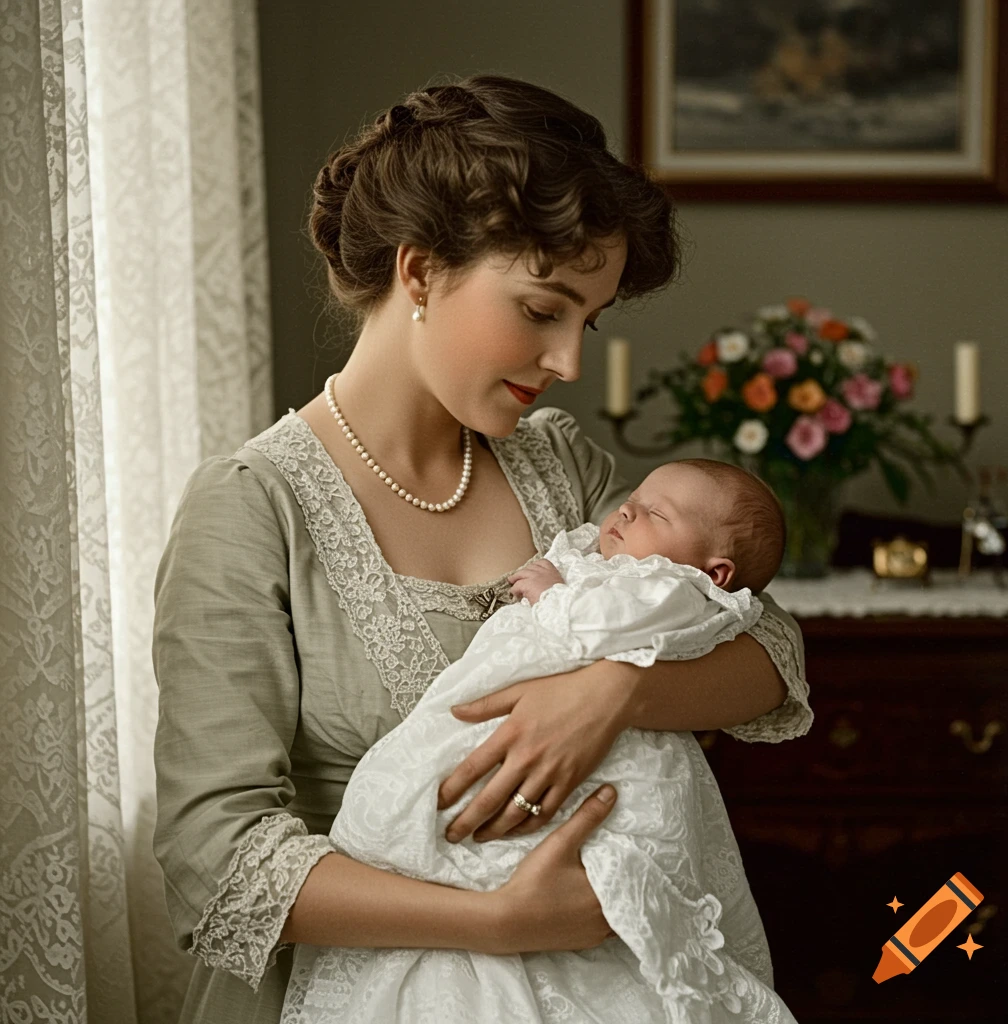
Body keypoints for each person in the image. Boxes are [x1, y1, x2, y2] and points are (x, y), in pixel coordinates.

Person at [151, 74, 813, 1024]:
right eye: (544, 310)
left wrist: (612, 692)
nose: (570, 363)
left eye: (590, 321)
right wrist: (497, 921)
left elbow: (765, 648)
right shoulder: (254, 507)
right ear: (419, 272)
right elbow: (215, 867)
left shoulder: (562, 469)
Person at [281, 458, 799, 1023]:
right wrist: (501, 918)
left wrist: (614, 688)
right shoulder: (263, 491)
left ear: (715, 574)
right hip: (380, 917)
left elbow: (772, 638)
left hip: (609, 777)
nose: (625, 509)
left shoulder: (664, 583)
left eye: (654, 512)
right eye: (634, 497)